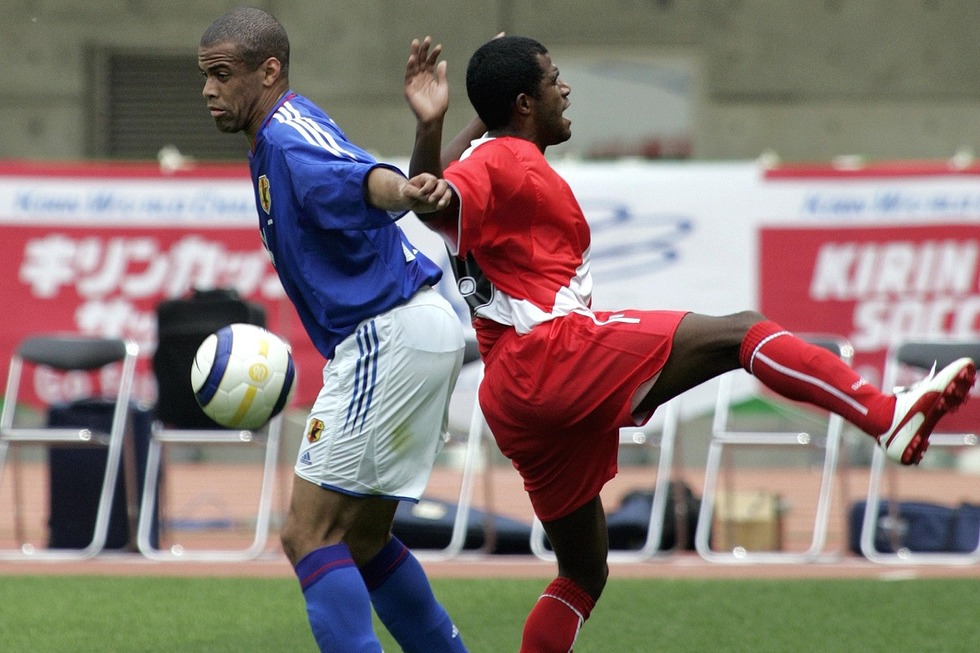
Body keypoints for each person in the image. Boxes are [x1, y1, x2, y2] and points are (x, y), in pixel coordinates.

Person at [404, 35, 978, 652]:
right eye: (552, 79)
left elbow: (444, 184)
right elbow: (432, 199)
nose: (565, 89)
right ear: (524, 103)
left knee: (582, 574)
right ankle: (885, 414)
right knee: (742, 332)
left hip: (512, 394)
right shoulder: (502, 163)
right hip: (552, 354)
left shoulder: (494, 151)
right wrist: (432, 131)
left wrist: (451, 124)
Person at [198, 8, 470, 652]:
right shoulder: (280, 134)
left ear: (268, 71)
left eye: (221, 74)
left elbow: (363, 181)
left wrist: (404, 193)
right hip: (409, 329)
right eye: (202, 75)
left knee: (307, 534)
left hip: (387, 334)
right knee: (364, 539)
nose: (207, 89)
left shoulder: (288, 139)